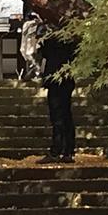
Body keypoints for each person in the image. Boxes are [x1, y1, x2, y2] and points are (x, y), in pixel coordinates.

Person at [37, 32, 78, 163]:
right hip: (67, 78)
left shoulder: (51, 37)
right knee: (66, 114)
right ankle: (68, 151)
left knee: (57, 116)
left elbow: (44, 51)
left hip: (55, 79)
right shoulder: (72, 37)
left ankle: (57, 150)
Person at [18, 13, 44, 82]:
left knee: (34, 58)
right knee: (31, 58)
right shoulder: (27, 24)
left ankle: (35, 74)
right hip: (29, 42)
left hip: (34, 42)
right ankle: (33, 74)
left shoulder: (35, 24)